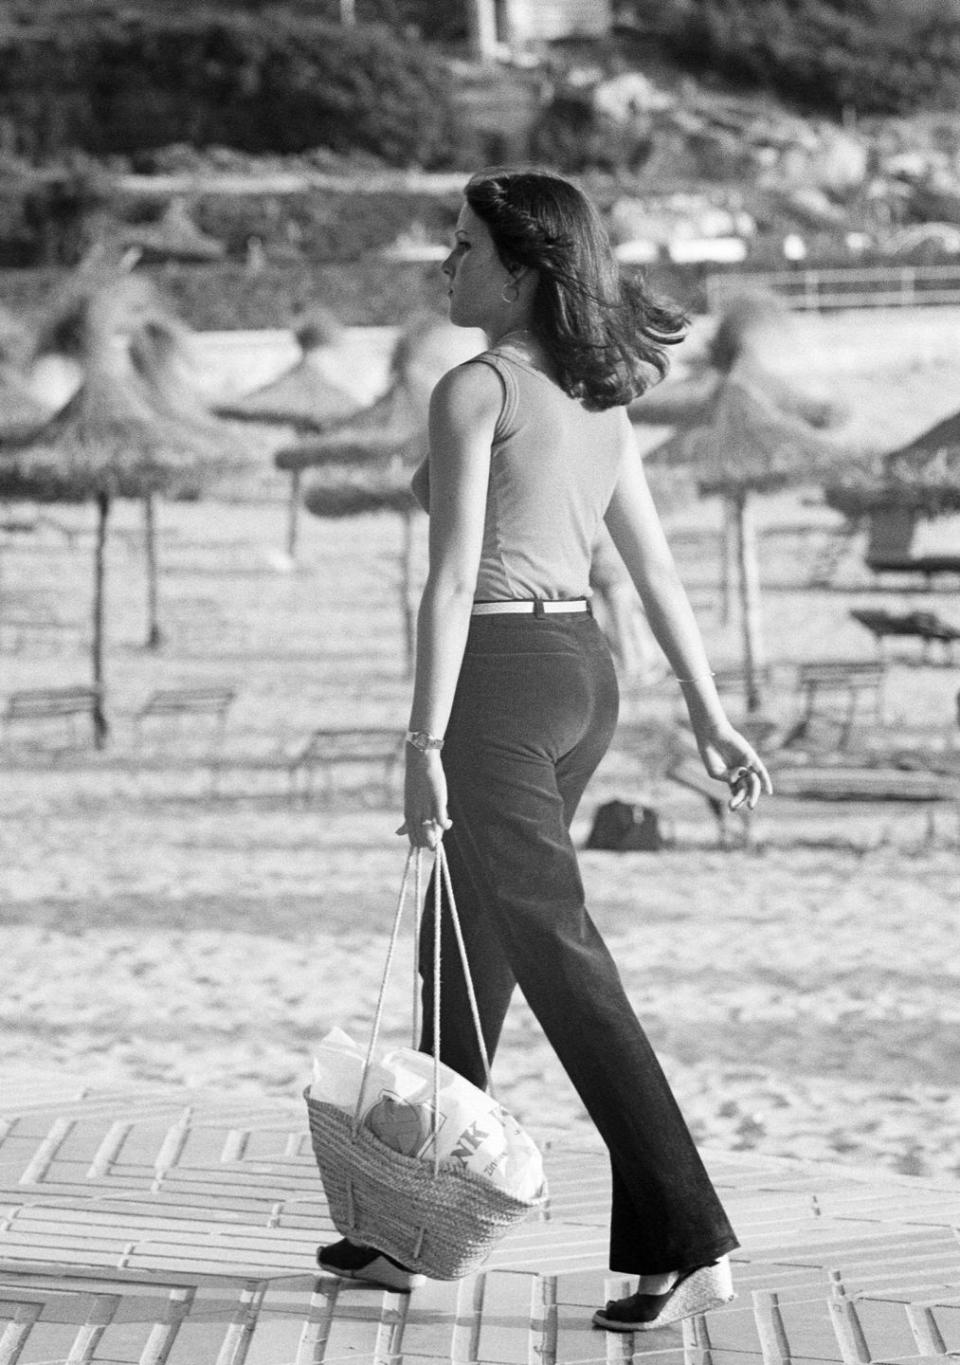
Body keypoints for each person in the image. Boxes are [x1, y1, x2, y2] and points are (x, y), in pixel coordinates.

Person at [318, 167, 772, 1333]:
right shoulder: (596, 394)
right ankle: (407, 1226)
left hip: (505, 687)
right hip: (584, 678)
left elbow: (454, 577)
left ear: (523, 269)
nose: (445, 264)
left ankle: (687, 1235)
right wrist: (711, 713)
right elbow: (654, 573)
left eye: (464, 246)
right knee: (462, 949)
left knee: (561, 958)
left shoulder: (475, 388)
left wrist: (420, 739)